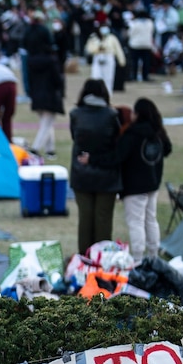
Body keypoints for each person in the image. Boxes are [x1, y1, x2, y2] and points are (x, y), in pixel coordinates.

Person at [81, 97, 172, 260]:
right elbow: (167, 150)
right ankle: (153, 256)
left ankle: (138, 259)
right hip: (153, 184)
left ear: (137, 114)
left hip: (135, 187)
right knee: (151, 220)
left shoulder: (132, 134)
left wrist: (92, 159)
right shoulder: (158, 132)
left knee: (136, 223)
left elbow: (116, 157)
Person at [69, 79, 123, 254]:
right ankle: (101, 260)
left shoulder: (75, 114)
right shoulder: (111, 115)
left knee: (85, 220)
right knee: (103, 220)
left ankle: (84, 260)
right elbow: (116, 141)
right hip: (107, 174)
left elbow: (74, 137)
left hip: (81, 174)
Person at [24, 12, 64, 157]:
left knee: (46, 122)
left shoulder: (30, 61)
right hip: (50, 95)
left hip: (37, 94)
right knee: (46, 124)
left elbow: (28, 80)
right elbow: (57, 80)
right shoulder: (51, 60)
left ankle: (50, 150)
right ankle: (35, 148)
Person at [84, 24, 126, 94]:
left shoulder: (112, 38)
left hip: (109, 57)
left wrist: (122, 61)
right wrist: (97, 49)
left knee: (108, 78)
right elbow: (89, 49)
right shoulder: (93, 37)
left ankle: (108, 94)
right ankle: (96, 93)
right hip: (98, 57)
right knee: (96, 76)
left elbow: (118, 50)